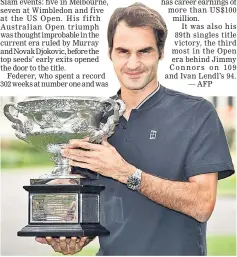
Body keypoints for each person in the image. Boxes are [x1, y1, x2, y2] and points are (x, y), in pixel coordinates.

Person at [36, 3, 235, 255]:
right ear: (110, 53)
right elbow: (100, 208)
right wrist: (78, 235)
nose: (133, 63)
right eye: (123, 51)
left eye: (144, 51)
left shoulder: (197, 113)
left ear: (160, 53)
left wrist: (125, 172)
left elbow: (202, 204)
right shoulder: (92, 121)